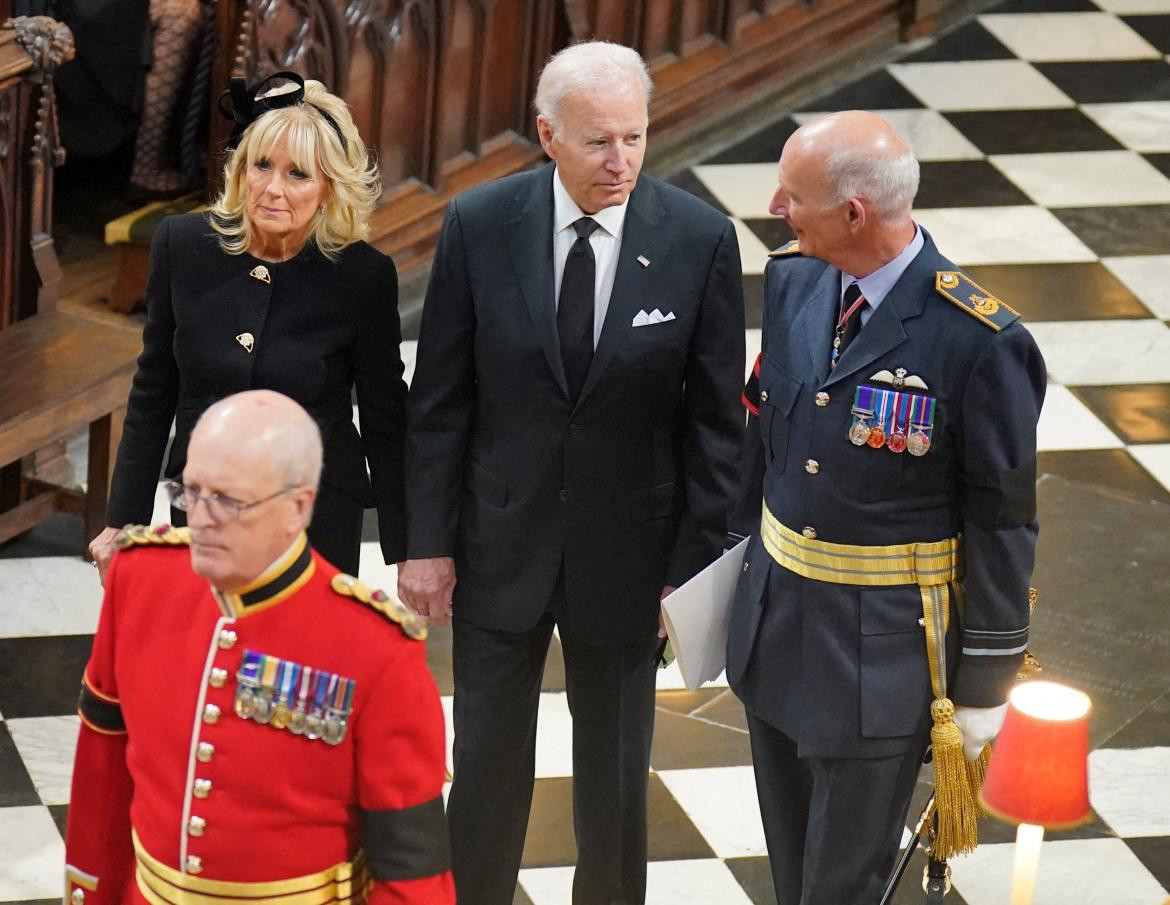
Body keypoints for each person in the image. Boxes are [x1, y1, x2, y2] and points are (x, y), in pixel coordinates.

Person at [398, 40, 745, 905]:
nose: (620, 160)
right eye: (598, 141)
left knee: (617, 779)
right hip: (498, 543)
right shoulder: (479, 225)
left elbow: (715, 428)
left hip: (631, 558)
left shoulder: (698, 239)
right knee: (481, 769)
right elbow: (438, 401)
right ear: (548, 135)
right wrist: (424, 544)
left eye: (634, 136)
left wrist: (695, 575)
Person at [726, 110, 1046, 904]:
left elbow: (1003, 518)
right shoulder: (798, 278)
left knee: (841, 883)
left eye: (792, 195)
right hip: (778, 625)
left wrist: (986, 681)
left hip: (882, 659)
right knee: (793, 865)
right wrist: (719, 567)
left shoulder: (978, 340)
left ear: (853, 214)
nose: (775, 206)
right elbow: (763, 429)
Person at [65, 390, 453, 905]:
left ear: (298, 506)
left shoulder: (374, 650)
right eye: (190, 491)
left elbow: (411, 872)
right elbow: (102, 771)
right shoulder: (140, 582)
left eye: (227, 499)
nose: (199, 519)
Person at [89, 71, 407, 580]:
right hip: (203, 506)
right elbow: (153, 389)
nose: (272, 189)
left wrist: (407, 548)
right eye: (262, 165)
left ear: (329, 189)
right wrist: (123, 520)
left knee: (299, 658)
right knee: (210, 653)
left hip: (315, 512)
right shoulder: (183, 245)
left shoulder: (363, 276)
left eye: (298, 174)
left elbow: (385, 417)